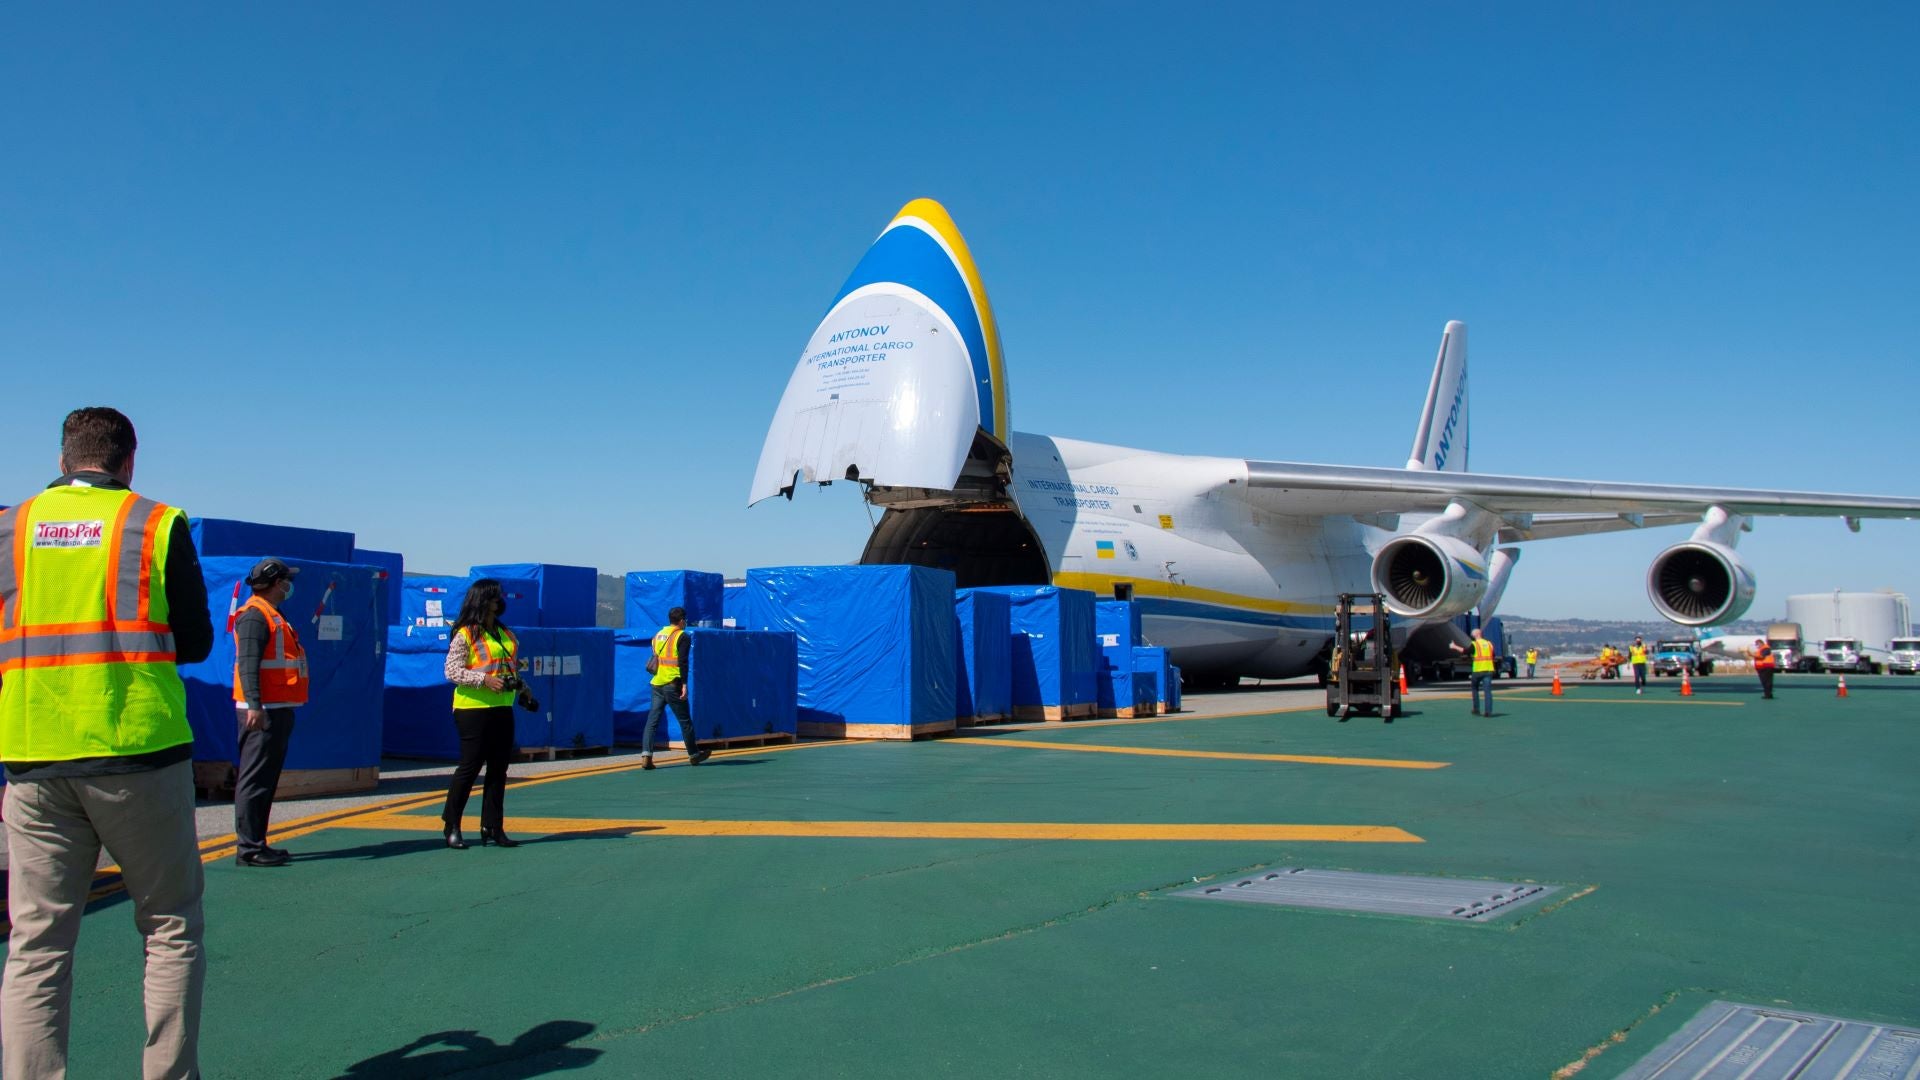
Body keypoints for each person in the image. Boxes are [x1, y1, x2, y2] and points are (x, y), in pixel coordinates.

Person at [0, 407, 213, 1079]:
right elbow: (199, 640)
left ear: (64, 458)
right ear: (129, 460)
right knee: (169, 926)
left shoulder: (8, 528)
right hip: (136, 750)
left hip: (32, 754)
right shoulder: (155, 523)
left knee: (36, 944)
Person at [231, 557, 307, 867]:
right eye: (287, 580)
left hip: (278, 706)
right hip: (263, 711)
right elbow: (248, 663)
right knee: (254, 779)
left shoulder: (272, 614)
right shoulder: (255, 616)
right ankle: (248, 847)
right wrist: (254, 705)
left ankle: (258, 841)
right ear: (277, 584)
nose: (290, 585)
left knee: (266, 778)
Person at [442, 579, 523, 849]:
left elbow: (510, 669)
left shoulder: (506, 634)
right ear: (482, 599)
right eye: (494, 596)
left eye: (499, 597)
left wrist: (524, 689)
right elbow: (452, 671)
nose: (499, 601)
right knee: (470, 767)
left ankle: (492, 826)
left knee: (499, 769)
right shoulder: (465, 633)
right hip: (472, 708)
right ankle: (451, 824)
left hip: (502, 706)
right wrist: (484, 681)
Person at [641, 607, 708, 770]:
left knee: (652, 721)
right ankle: (693, 755)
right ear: (681, 620)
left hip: (657, 683)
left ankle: (646, 756)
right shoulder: (682, 636)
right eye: (685, 619)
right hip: (673, 683)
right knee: (684, 721)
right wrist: (684, 684)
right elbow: (683, 662)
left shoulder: (658, 636)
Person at [1449, 628, 1497, 716]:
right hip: (1489, 670)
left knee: (1475, 689)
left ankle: (1476, 709)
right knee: (1488, 692)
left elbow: (1465, 651)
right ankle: (1488, 712)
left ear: (1476, 635)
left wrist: (1454, 646)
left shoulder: (1475, 644)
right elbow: (1493, 656)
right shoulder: (1489, 644)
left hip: (1478, 670)